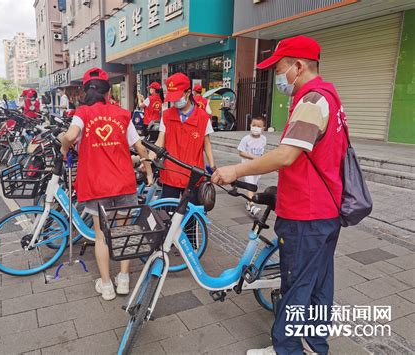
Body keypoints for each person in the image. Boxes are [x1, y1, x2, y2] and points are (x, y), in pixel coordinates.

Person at [211, 36, 348, 355]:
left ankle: (287, 350)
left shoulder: (312, 101)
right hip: (325, 211)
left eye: (280, 68)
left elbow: (286, 155)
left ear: (299, 66)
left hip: (306, 215)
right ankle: (315, 347)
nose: (278, 76)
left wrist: (236, 170)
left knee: (296, 287)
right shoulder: (330, 97)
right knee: (318, 285)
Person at [60, 67, 153, 301]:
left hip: (96, 185)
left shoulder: (82, 112)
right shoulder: (122, 114)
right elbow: (139, 146)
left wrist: (64, 147)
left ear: (85, 91)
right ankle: (123, 279)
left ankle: (106, 285)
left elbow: (70, 136)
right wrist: (148, 169)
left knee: (100, 236)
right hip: (123, 182)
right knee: (123, 231)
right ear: (108, 91)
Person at [152, 72, 215, 203]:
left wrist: (213, 166)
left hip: (193, 175)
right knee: (168, 213)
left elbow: (206, 144)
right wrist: (149, 158)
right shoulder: (167, 115)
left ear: (188, 92)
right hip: (171, 174)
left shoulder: (203, 117)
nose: (175, 101)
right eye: (172, 98)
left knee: (190, 218)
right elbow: (160, 140)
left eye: (178, 97)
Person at [237, 116, 266, 216]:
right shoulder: (246, 139)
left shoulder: (263, 139)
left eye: (259, 126)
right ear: (250, 125)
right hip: (247, 167)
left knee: (254, 186)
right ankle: (252, 205)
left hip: (258, 168)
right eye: (254, 125)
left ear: (263, 128)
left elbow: (262, 153)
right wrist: (252, 157)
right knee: (250, 185)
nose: (256, 127)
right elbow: (241, 152)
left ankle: (248, 202)